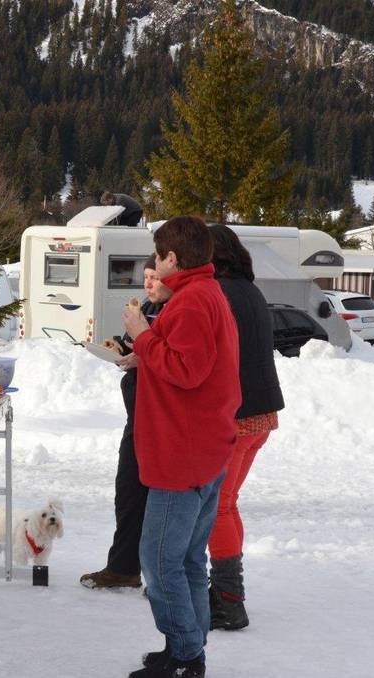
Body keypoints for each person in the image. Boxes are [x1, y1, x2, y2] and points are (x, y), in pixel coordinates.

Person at [122, 215, 241, 678]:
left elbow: (187, 371)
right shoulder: (204, 293)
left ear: (172, 258)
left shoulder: (191, 301)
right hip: (203, 449)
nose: (154, 263)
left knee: (157, 560)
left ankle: (187, 656)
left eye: (157, 255)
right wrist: (144, 355)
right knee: (187, 557)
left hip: (183, 454)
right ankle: (185, 646)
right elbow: (192, 363)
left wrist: (142, 333)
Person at [206, 224, 285, 631]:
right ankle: (225, 592)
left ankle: (228, 601)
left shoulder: (218, 293)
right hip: (262, 414)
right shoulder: (250, 289)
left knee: (217, 507)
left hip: (236, 414)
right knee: (228, 502)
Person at [80, 254, 170, 589]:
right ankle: (124, 567)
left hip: (157, 417)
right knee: (127, 492)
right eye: (145, 277)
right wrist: (120, 347)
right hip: (138, 413)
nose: (148, 283)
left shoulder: (173, 311)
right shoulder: (147, 306)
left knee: (155, 499)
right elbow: (141, 349)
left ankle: (159, 578)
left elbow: (168, 361)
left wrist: (140, 357)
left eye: (154, 277)